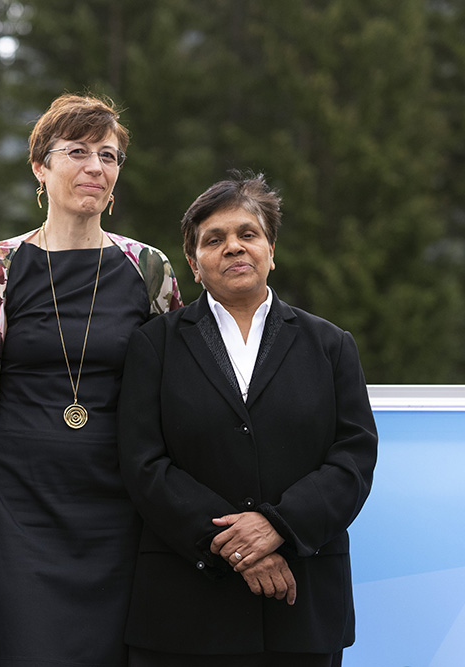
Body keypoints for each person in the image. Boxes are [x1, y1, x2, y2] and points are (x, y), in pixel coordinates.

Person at [0, 93, 182, 666]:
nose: (95, 168)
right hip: (21, 506)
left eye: (108, 156)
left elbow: (178, 391)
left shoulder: (148, 268)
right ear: (40, 166)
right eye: (78, 152)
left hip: (121, 508)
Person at [117, 173, 378, 666]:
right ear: (194, 265)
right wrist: (238, 546)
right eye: (214, 240)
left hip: (300, 604)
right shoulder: (154, 344)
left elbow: (354, 457)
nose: (233, 247)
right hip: (185, 608)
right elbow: (142, 462)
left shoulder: (331, 345)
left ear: (271, 250)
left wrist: (278, 526)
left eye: (247, 234)